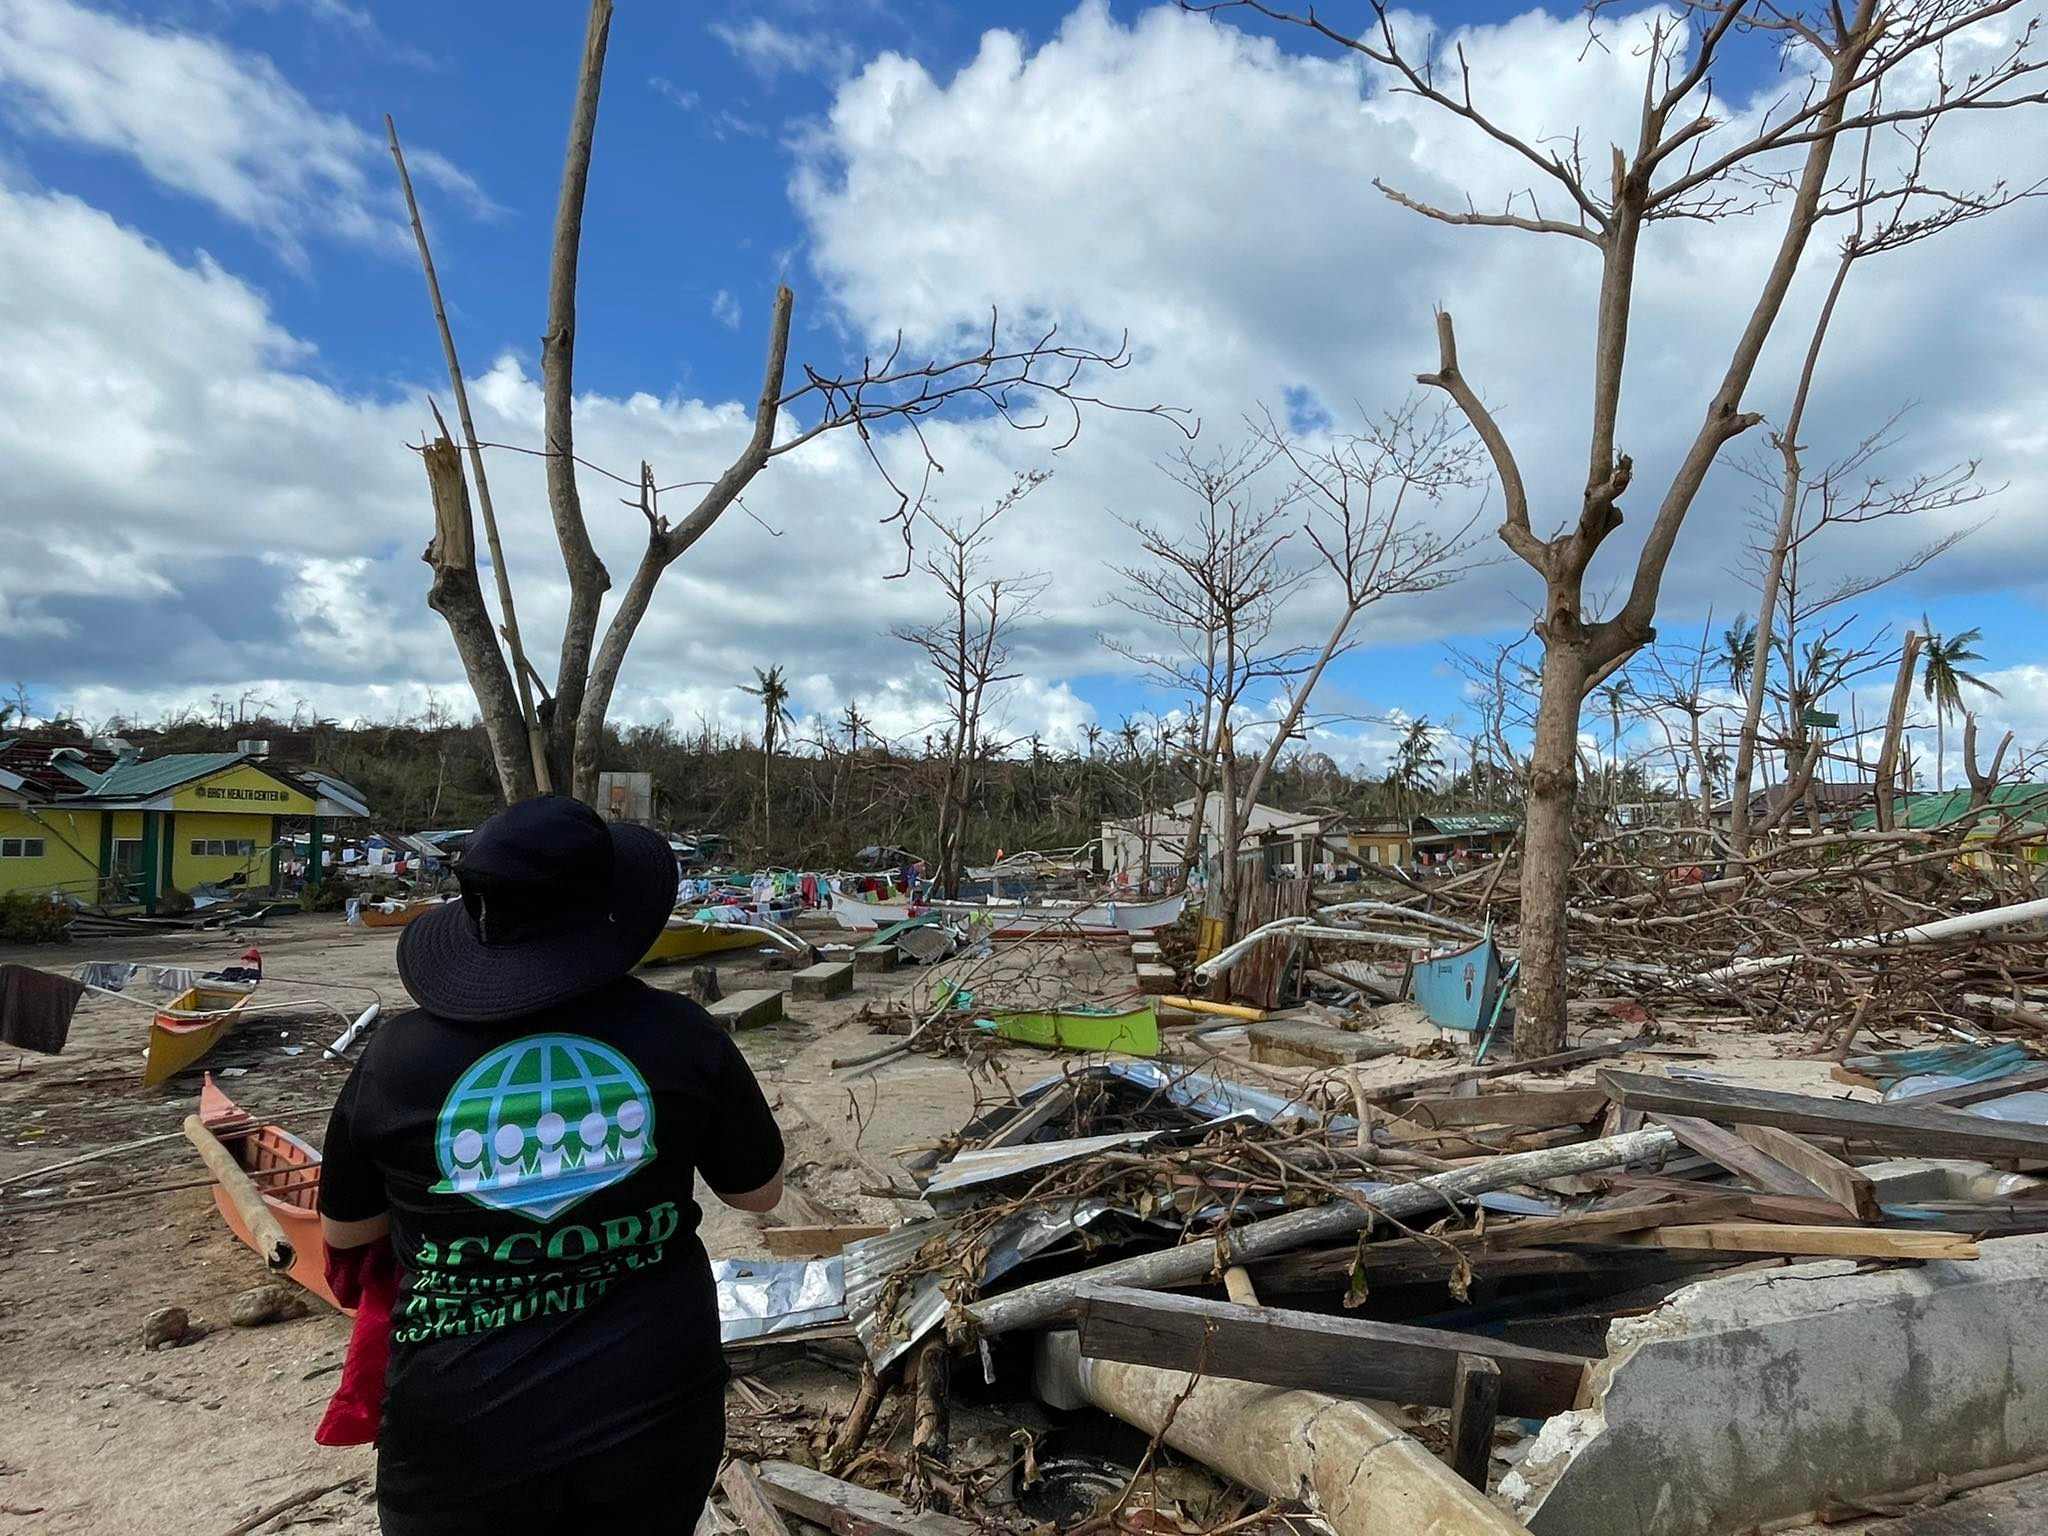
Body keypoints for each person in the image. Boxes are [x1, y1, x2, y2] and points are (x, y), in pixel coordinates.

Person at [318, 795, 785, 1534]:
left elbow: (345, 1237)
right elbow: (758, 1194)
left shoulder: (396, 1059)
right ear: (610, 911)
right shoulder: (682, 1037)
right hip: (653, 1400)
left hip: (458, 1422)